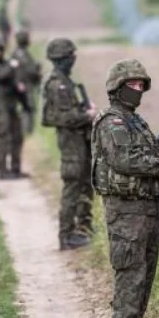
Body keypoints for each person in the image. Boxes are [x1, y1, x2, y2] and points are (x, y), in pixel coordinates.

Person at [91, 58, 159, 318]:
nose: (139, 89)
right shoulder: (112, 121)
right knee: (130, 272)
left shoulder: (135, 120)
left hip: (146, 208)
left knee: (145, 272)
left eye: (142, 85)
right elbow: (124, 161)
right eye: (133, 84)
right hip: (126, 211)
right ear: (117, 87)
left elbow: (150, 156)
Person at [41, 37, 96, 250]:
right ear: (62, 59)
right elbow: (63, 117)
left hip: (78, 142)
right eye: (70, 55)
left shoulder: (65, 81)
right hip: (71, 144)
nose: (73, 59)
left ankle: (82, 229)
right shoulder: (59, 85)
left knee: (84, 184)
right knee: (73, 186)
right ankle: (66, 235)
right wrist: (87, 115)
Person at [0, 36, 30, 179]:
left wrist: (21, 94)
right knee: (4, 138)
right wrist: (12, 66)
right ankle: (2, 171)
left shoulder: (6, 64)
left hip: (11, 105)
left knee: (17, 137)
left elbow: (14, 81)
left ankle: (15, 169)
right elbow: (0, 76)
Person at [11, 29, 42, 135]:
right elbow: (29, 70)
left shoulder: (20, 52)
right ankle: (26, 130)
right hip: (25, 84)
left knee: (28, 107)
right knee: (27, 107)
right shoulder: (21, 53)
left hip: (25, 83)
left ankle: (27, 129)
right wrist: (37, 69)